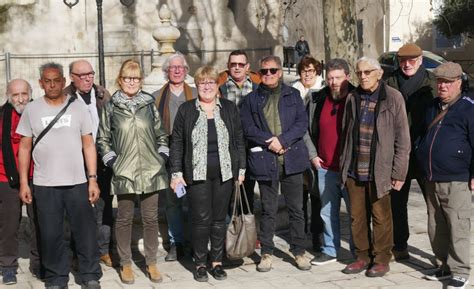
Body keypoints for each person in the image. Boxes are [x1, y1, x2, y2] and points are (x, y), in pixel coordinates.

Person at [17, 62, 102, 289]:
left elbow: (88, 144)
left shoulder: (78, 108)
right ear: (41, 83)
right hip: (45, 184)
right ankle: (56, 277)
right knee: (50, 234)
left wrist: (92, 179)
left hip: (77, 182)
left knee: (85, 232)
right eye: (48, 80)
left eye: (57, 80)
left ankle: (90, 274)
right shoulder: (32, 110)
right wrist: (25, 182)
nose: (52, 84)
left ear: (64, 82)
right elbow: (24, 148)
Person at [169, 66, 246, 282]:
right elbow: (176, 143)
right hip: (197, 175)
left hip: (225, 173)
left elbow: (239, 140)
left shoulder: (229, 108)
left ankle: (217, 262)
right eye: (203, 83)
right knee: (201, 220)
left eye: (211, 82)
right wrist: (176, 173)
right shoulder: (187, 110)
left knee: (219, 220)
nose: (207, 87)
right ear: (197, 85)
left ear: (217, 85)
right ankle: (200, 263)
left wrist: (241, 170)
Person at [97, 59, 169, 285]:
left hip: (151, 170)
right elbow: (103, 139)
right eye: (127, 78)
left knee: (150, 218)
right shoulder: (111, 107)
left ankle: (151, 262)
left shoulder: (149, 104)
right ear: (120, 80)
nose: (131, 82)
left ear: (140, 81)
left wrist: (161, 156)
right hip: (124, 172)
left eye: (135, 78)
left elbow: (161, 134)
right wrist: (113, 162)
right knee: (125, 218)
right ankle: (126, 264)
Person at [339, 57, 410, 278]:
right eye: (359, 73)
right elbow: (346, 132)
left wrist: (399, 172)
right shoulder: (352, 97)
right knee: (357, 217)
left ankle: (381, 259)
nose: (363, 76)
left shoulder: (393, 97)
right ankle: (362, 256)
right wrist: (343, 164)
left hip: (380, 170)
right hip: (354, 169)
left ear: (379, 74)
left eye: (367, 72)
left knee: (381, 217)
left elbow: (403, 139)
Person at [240, 55, 311, 272]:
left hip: (292, 159)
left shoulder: (294, 94)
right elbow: (248, 128)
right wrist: (270, 142)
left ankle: (299, 251)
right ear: (259, 74)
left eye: (272, 70)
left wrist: (283, 140)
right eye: (264, 71)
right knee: (269, 210)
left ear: (280, 72)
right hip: (265, 161)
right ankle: (267, 252)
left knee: (296, 209)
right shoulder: (251, 100)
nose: (268, 74)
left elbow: (302, 123)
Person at [416, 62, 473, 289]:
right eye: (439, 81)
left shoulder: (469, 108)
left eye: (448, 82)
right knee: (435, 224)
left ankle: (460, 271)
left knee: (458, 225)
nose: (442, 86)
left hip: (457, 178)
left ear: (459, 82)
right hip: (431, 177)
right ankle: (444, 265)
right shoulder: (432, 106)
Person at [386, 43, 435, 261]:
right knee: (397, 203)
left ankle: (440, 251)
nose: (407, 65)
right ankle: (400, 244)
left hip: (425, 151)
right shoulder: (389, 82)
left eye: (412, 60)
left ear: (421, 60)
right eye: (403, 60)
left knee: (434, 206)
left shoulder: (433, 83)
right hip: (398, 152)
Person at [305, 58, 355, 266]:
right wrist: (313, 155)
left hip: (350, 168)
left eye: (338, 78)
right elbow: (305, 130)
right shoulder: (317, 99)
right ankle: (329, 249)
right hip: (325, 167)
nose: (334, 82)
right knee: (326, 212)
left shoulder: (357, 98)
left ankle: (358, 252)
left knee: (356, 214)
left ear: (347, 77)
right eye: (330, 78)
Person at [64, 59, 113, 267]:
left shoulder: (103, 94)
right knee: (78, 208)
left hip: (102, 158)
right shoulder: (64, 97)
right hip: (76, 159)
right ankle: (77, 252)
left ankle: (103, 249)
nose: (87, 79)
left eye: (90, 74)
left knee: (104, 205)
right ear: (72, 78)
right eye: (82, 75)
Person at [152, 52, 197, 262]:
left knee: (197, 198)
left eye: (181, 67)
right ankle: (176, 242)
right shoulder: (156, 97)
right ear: (166, 72)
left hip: (195, 153)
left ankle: (197, 241)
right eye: (173, 67)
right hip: (170, 155)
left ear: (186, 71)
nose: (177, 70)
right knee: (173, 200)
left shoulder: (197, 94)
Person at [0, 79, 40, 285]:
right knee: (8, 224)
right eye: (15, 95)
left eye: (24, 93)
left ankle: (38, 263)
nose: (20, 99)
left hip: (36, 175)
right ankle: (8, 266)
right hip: (6, 176)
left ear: (30, 94)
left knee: (39, 222)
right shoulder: (1, 115)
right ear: (8, 96)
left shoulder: (39, 112)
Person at [217, 49, 260, 216]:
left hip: (251, 143)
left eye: (240, 64)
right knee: (227, 187)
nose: (236, 68)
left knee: (248, 187)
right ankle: (229, 228)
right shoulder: (220, 87)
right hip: (228, 143)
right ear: (228, 66)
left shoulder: (257, 86)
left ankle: (246, 230)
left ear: (247, 66)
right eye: (233, 64)